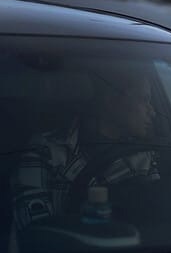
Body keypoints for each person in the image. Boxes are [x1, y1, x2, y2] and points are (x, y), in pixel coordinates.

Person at [12, 73, 159, 230]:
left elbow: (158, 219)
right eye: (144, 100)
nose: (153, 112)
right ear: (111, 100)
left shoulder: (144, 154)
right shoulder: (46, 151)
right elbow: (36, 234)